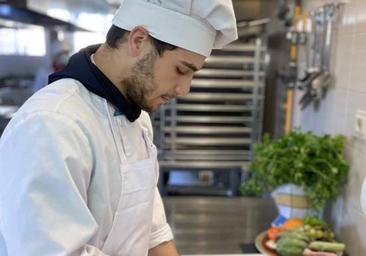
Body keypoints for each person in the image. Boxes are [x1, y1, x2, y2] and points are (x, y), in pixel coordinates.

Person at [0, 0, 237, 255]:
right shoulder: (51, 124)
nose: (184, 89)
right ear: (138, 40)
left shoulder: (137, 117)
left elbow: (153, 232)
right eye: (181, 69)